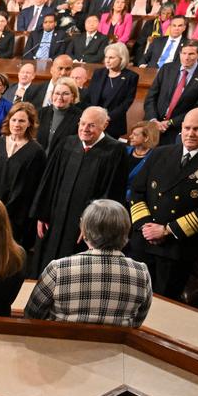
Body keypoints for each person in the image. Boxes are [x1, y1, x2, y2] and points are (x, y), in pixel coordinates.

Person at [129, 108, 198, 299]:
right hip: (143, 242)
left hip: (176, 249)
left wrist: (166, 230)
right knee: (130, 299)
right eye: (187, 128)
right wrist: (145, 226)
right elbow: (137, 191)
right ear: (181, 128)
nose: (191, 134)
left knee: (161, 307)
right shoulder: (160, 153)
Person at [30, 106, 130, 275]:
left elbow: (111, 196)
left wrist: (92, 225)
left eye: (91, 125)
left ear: (104, 125)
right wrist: (42, 213)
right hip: (54, 218)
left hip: (85, 226)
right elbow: (49, 180)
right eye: (82, 123)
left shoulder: (115, 151)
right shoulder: (67, 143)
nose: (84, 129)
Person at [25, 199, 152, 326]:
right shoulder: (142, 272)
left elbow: (31, 316)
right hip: (114, 345)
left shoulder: (58, 269)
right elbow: (136, 323)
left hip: (61, 344)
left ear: (84, 231)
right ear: (125, 231)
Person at [0, 102, 45, 247]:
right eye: (14, 120)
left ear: (30, 123)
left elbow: (30, 187)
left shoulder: (36, 151)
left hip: (16, 216)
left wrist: (5, 210)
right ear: (8, 120)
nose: (17, 124)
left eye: (22, 120)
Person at [144, 41, 198, 144]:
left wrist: (170, 123)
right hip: (153, 124)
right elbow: (151, 96)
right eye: (184, 53)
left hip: (178, 129)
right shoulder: (167, 68)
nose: (186, 57)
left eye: (191, 54)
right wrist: (153, 120)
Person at [85, 43, 138, 139]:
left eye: (111, 58)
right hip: (92, 122)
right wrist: (94, 116)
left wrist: (106, 118)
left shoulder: (131, 77)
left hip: (113, 124)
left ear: (122, 59)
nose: (107, 61)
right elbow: (89, 97)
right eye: (106, 57)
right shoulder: (98, 73)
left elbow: (126, 103)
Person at [36, 77, 83, 154]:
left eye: (65, 94)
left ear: (73, 97)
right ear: (52, 95)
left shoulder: (79, 117)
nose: (60, 97)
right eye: (57, 93)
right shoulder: (41, 113)